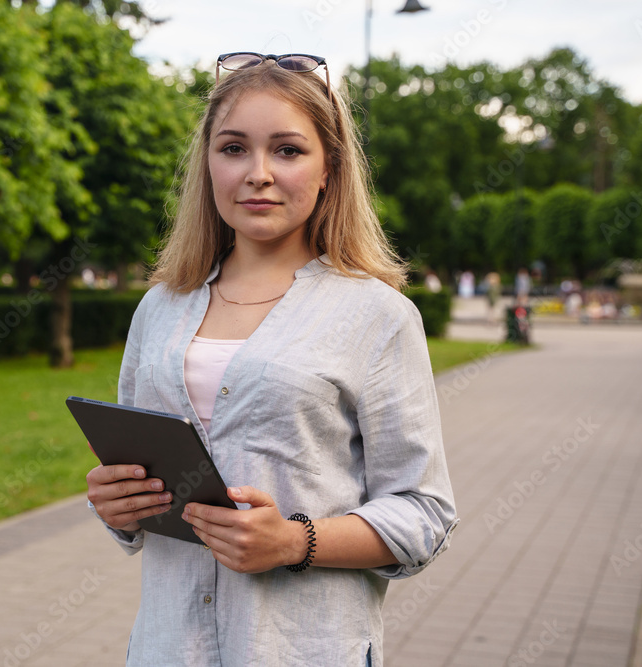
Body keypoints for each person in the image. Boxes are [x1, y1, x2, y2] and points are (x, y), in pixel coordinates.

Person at [84, 52, 458, 666]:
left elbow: (423, 513)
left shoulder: (378, 316)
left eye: (287, 150)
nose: (258, 173)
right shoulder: (159, 308)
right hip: (168, 649)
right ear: (208, 164)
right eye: (234, 148)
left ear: (328, 170)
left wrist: (293, 541)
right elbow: (136, 470)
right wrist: (116, 505)